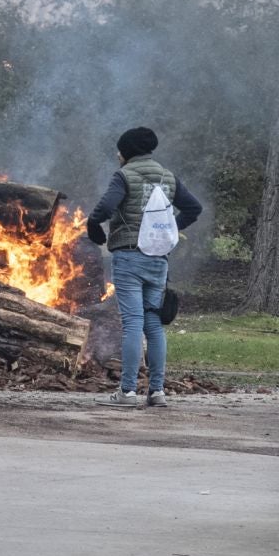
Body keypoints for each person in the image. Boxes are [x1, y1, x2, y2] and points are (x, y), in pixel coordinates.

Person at [86, 126, 202, 410]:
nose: (117, 155)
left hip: (129, 257)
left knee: (133, 324)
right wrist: (169, 229)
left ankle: (126, 391)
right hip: (158, 260)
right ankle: (157, 391)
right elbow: (193, 208)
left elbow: (104, 209)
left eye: (119, 151)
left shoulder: (125, 175)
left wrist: (95, 230)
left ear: (126, 153)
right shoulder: (168, 177)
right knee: (153, 324)